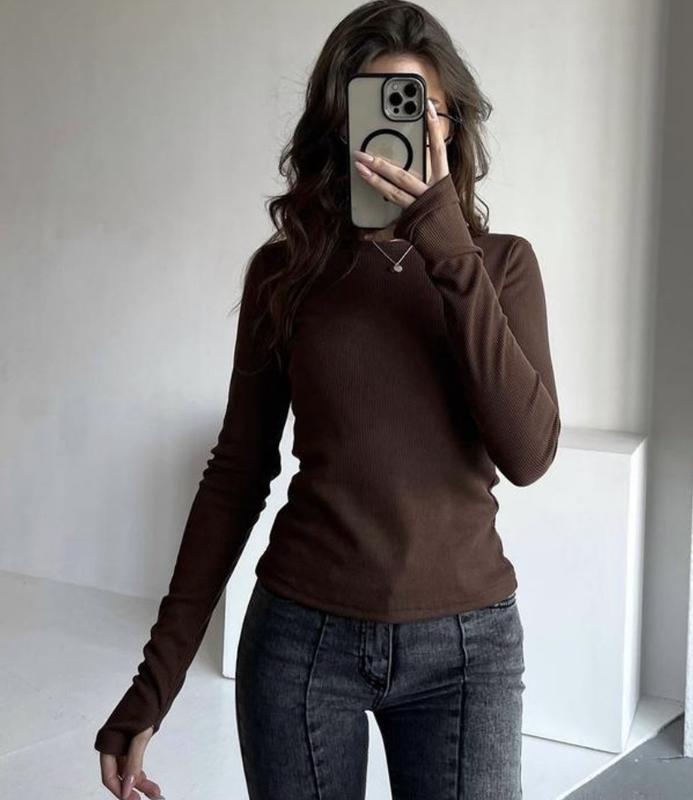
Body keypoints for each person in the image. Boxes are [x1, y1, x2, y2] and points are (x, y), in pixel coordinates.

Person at [95, 2, 561, 798]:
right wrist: (156, 678)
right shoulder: (286, 273)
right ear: (339, 130)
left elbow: (528, 454)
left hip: (466, 652)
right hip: (302, 644)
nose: (401, 130)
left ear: (452, 126)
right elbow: (236, 472)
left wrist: (448, 251)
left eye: (420, 108)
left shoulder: (500, 265)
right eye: (375, 108)